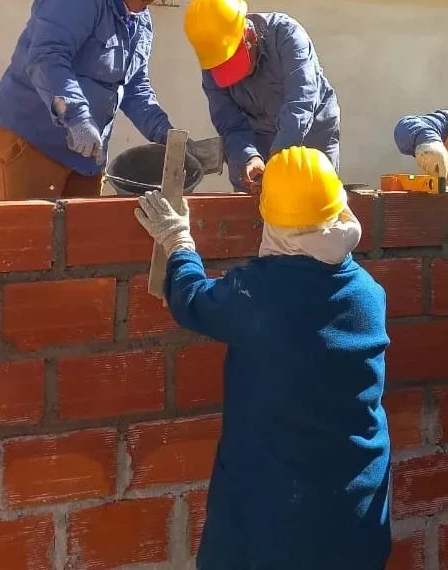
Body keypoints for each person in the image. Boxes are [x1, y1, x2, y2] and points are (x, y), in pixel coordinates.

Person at [133, 146, 391, 570]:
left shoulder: (257, 295)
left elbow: (193, 300)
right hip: (356, 510)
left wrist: (178, 241)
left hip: (276, 516)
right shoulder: (367, 292)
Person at [0, 0, 196, 200]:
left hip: (85, 155)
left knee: (84, 229)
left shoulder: (140, 22)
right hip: (32, 141)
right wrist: (78, 118)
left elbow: (134, 87)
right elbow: (47, 58)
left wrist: (166, 135)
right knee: (32, 229)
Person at [183, 0, 340, 193]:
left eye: (234, 63)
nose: (237, 77)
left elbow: (301, 102)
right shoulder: (212, 63)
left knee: (315, 196)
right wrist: (249, 155)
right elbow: (230, 124)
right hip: (256, 136)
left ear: (249, 35)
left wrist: (279, 155)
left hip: (312, 130)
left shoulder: (287, 35)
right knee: (252, 199)